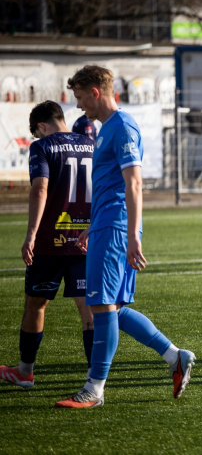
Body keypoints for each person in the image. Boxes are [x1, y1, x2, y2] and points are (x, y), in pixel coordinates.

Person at [55, 65, 195, 408]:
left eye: (80, 97)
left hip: (116, 229)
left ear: (96, 92)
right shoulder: (106, 129)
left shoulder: (122, 127)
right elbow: (113, 185)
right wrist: (94, 223)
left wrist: (132, 235)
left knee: (101, 306)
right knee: (112, 308)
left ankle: (95, 389)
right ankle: (175, 356)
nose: (78, 106)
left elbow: (134, 183)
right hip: (106, 225)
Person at [0, 101, 95, 389]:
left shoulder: (43, 147)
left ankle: (25, 372)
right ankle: (95, 380)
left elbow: (40, 188)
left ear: (41, 126)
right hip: (84, 242)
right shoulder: (92, 145)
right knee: (89, 311)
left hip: (49, 243)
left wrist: (30, 233)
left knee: (36, 304)